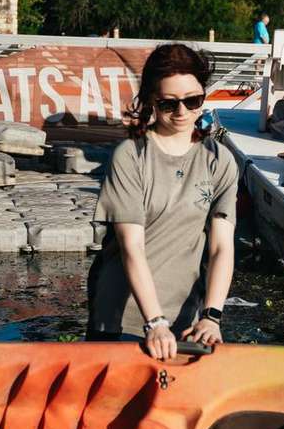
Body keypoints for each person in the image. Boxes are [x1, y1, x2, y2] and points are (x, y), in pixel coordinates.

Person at [88, 44, 240, 359]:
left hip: (185, 322)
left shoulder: (220, 161)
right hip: (121, 318)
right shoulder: (130, 156)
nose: (182, 112)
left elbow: (221, 247)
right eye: (169, 103)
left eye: (192, 101)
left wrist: (212, 316)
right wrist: (154, 321)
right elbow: (131, 246)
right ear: (150, 102)